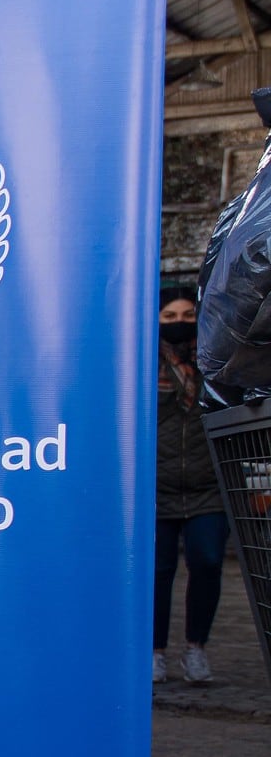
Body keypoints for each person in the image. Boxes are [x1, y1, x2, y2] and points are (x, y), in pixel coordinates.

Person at [156, 290, 228, 684]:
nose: (179, 321)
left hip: (207, 484)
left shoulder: (218, 360)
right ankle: (155, 651)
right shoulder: (141, 362)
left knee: (207, 563)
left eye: (187, 314)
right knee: (157, 571)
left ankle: (196, 648)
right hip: (155, 487)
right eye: (170, 314)